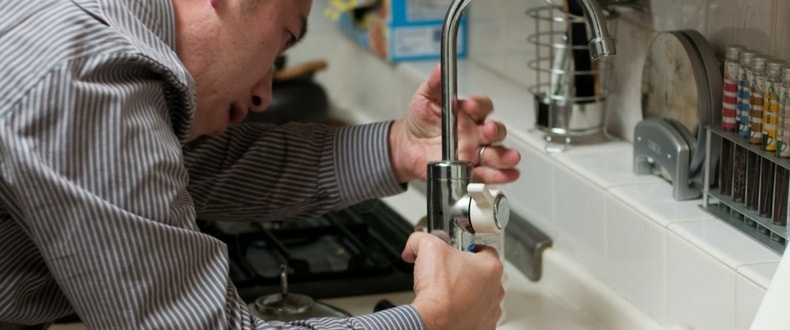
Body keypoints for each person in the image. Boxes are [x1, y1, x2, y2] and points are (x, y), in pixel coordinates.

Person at [0, 0, 521, 329]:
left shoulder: (92, 32)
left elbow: (210, 166)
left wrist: (402, 148)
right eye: (282, 45)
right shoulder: (87, 78)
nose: (263, 96)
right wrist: (433, 320)